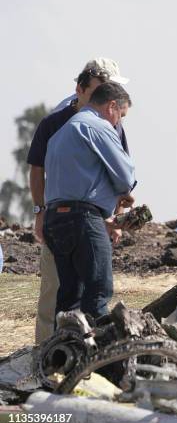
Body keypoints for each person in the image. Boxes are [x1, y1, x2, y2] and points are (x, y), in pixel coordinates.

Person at [28, 58, 130, 343]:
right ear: (80, 88)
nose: (108, 95)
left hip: (93, 217)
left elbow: (114, 172)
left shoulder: (112, 124)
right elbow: (37, 169)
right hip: (62, 216)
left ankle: (69, 354)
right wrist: (39, 212)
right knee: (60, 290)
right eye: (102, 87)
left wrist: (115, 219)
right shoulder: (54, 122)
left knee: (75, 292)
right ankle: (48, 353)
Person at [43, 82, 136, 321]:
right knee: (97, 293)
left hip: (55, 219)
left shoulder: (61, 132)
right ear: (112, 105)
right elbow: (126, 177)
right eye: (120, 116)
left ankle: (63, 354)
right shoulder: (98, 126)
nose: (118, 123)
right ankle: (99, 357)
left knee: (69, 298)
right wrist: (122, 192)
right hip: (83, 219)